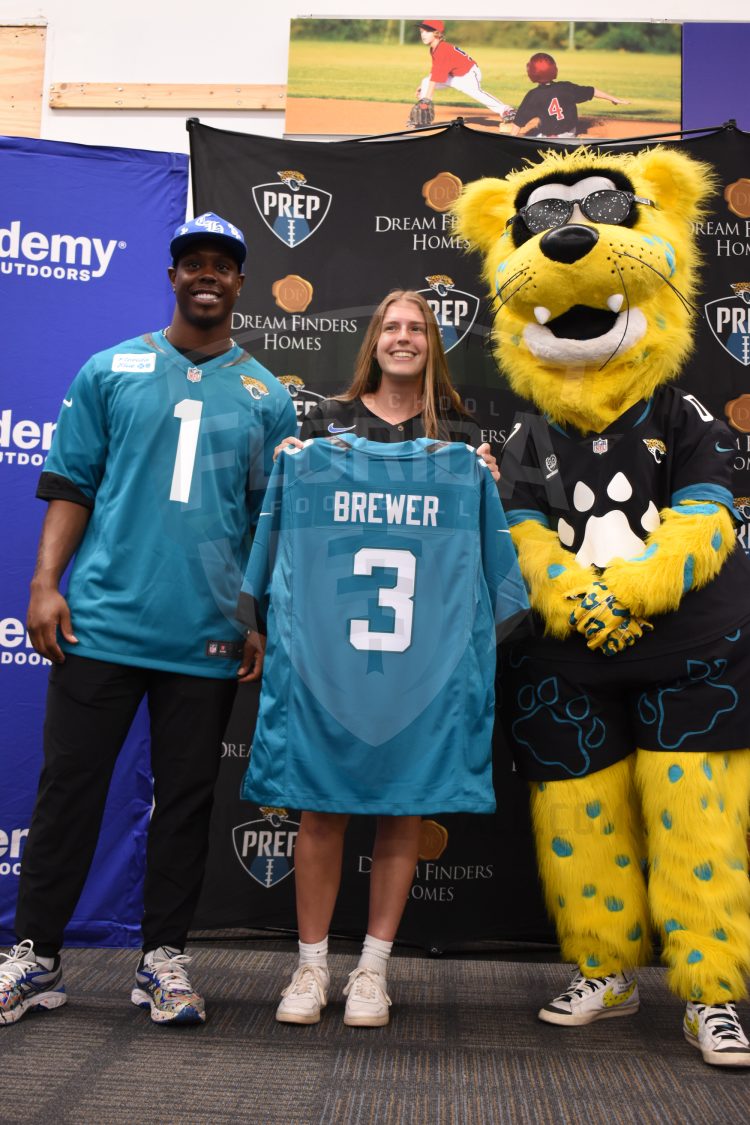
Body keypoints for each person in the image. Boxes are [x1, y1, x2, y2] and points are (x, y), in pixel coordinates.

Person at [0, 213, 296, 1027]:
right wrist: (43, 583)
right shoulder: (111, 368)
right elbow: (70, 484)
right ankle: (36, 956)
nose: (207, 276)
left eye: (222, 266)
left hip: (205, 633)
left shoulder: (268, 397)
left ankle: (162, 959)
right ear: (172, 276)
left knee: (188, 801)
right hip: (100, 622)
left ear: (241, 283)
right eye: (192, 263)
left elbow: (268, 525)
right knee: (68, 794)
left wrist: (256, 614)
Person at [245, 290, 527, 1028]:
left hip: (418, 666)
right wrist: (287, 470)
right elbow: (271, 553)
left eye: (417, 329)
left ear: (433, 345)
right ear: (373, 341)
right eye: (392, 327)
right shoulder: (321, 431)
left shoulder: (461, 443)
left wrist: (482, 482)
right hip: (330, 664)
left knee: (404, 806)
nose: (404, 338)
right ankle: (311, 968)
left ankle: (372, 970)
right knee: (319, 805)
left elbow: (496, 574)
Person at [415, 19, 515, 126]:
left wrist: (427, 99)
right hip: (454, 75)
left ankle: (506, 110)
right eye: (421, 32)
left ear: (437, 33)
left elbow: (436, 77)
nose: (423, 35)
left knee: (476, 93)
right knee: (426, 82)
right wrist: (423, 87)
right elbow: (436, 70)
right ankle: (423, 117)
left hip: (468, 73)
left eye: (427, 31)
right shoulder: (435, 48)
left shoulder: (443, 49)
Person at [511, 52, 629, 140]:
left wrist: (510, 140)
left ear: (531, 73)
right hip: (568, 136)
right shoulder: (566, 87)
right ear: (554, 70)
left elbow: (518, 124)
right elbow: (592, 91)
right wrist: (613, 98)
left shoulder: (533, 95)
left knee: (532, 132)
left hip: (545, 137)